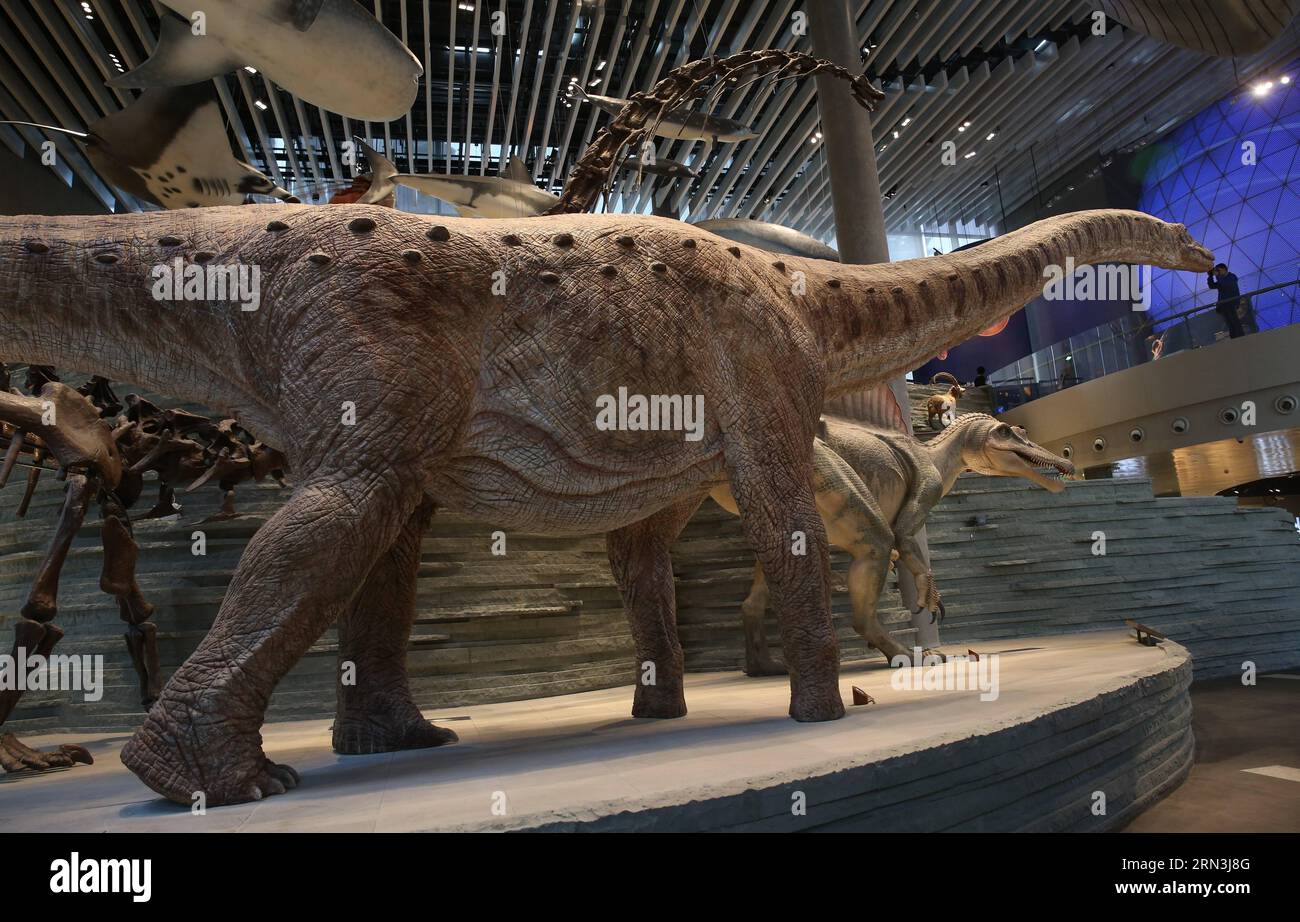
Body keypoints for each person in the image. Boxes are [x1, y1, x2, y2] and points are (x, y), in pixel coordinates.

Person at [1208, 263, 1245, 338]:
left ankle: (1241, 338)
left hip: (1231, 303)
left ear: (1224, 269)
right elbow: (1212, 286)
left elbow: (1225, 284)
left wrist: (1217, 276)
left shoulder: (1232, 277)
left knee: (1235, 322)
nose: (1217, 272)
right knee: (1229, 323)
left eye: (1218, 270)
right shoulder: (1221, 279)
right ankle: (1234, 339)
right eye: (1216, 270)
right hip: (1223, 305)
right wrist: (1210, 276)